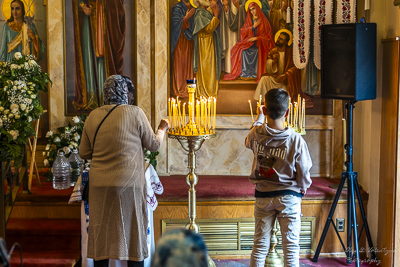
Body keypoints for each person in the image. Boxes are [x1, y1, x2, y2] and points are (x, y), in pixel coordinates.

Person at [79, 75, 170, 267]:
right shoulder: (135, 113)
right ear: (125, 93)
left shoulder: (93, 116)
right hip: (129, 187)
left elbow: (84, 152)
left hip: (100, 187)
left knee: (102, 239)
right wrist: (162, 128)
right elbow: (153, 145)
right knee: (133, 238)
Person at [245, 88, 312, 267]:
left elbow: (250, 136)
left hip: (263, 196)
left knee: (259, 246)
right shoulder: (296, 139)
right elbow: (304, 170)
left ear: (265, 110)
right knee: (291, 248)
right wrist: (304, 186)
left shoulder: (255, 134)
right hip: (289, 197)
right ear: (288, 112)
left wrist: (259, 117)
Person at [72, 0, 126, 110]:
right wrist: (82, 6)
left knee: (104, 59)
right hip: (88, 20)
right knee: (88, 54)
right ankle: (91, 97)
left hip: (104, 18)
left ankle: (106, 98)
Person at [223, 1, 274, 81]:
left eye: (253, 9)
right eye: (250, 10)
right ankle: (245, 73)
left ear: (257, 8)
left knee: (255, 52)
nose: (252, 11)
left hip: (260, 45)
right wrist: (253, 27)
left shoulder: (264, 21)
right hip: (249, 43)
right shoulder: (249, 19)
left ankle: (255, 73)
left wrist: (257, 38)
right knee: (239, 50)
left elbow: (269, 36)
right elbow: (243, 31)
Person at [253, 30, 302, 102]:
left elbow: (295, 68)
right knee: (264, 79)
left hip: (285, 80)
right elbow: (268, 70)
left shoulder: (290, 53)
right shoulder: (273, 51)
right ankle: (263, 101)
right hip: (275, 78)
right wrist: (273, 62)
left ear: (285, 43)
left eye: (281, 39)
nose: (278, 40)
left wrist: (286, 75)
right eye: (279, 37)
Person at [192, 0, 222, 98]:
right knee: (207, 68)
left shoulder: (205, 12)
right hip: (204, 44)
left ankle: (210, 91)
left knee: (210, 67)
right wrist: (216, 16)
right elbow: (209, 29)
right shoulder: (200, 14)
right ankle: (206, 93)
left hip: (209, 42)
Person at [170, 0, 196, 99]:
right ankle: (179, 89)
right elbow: (175, 24)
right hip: (180, 41)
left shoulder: (194, 8)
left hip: (190, 42)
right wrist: (186, 17)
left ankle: (189, 89)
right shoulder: (177, 7)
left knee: (189, 66)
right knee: (180, 65)